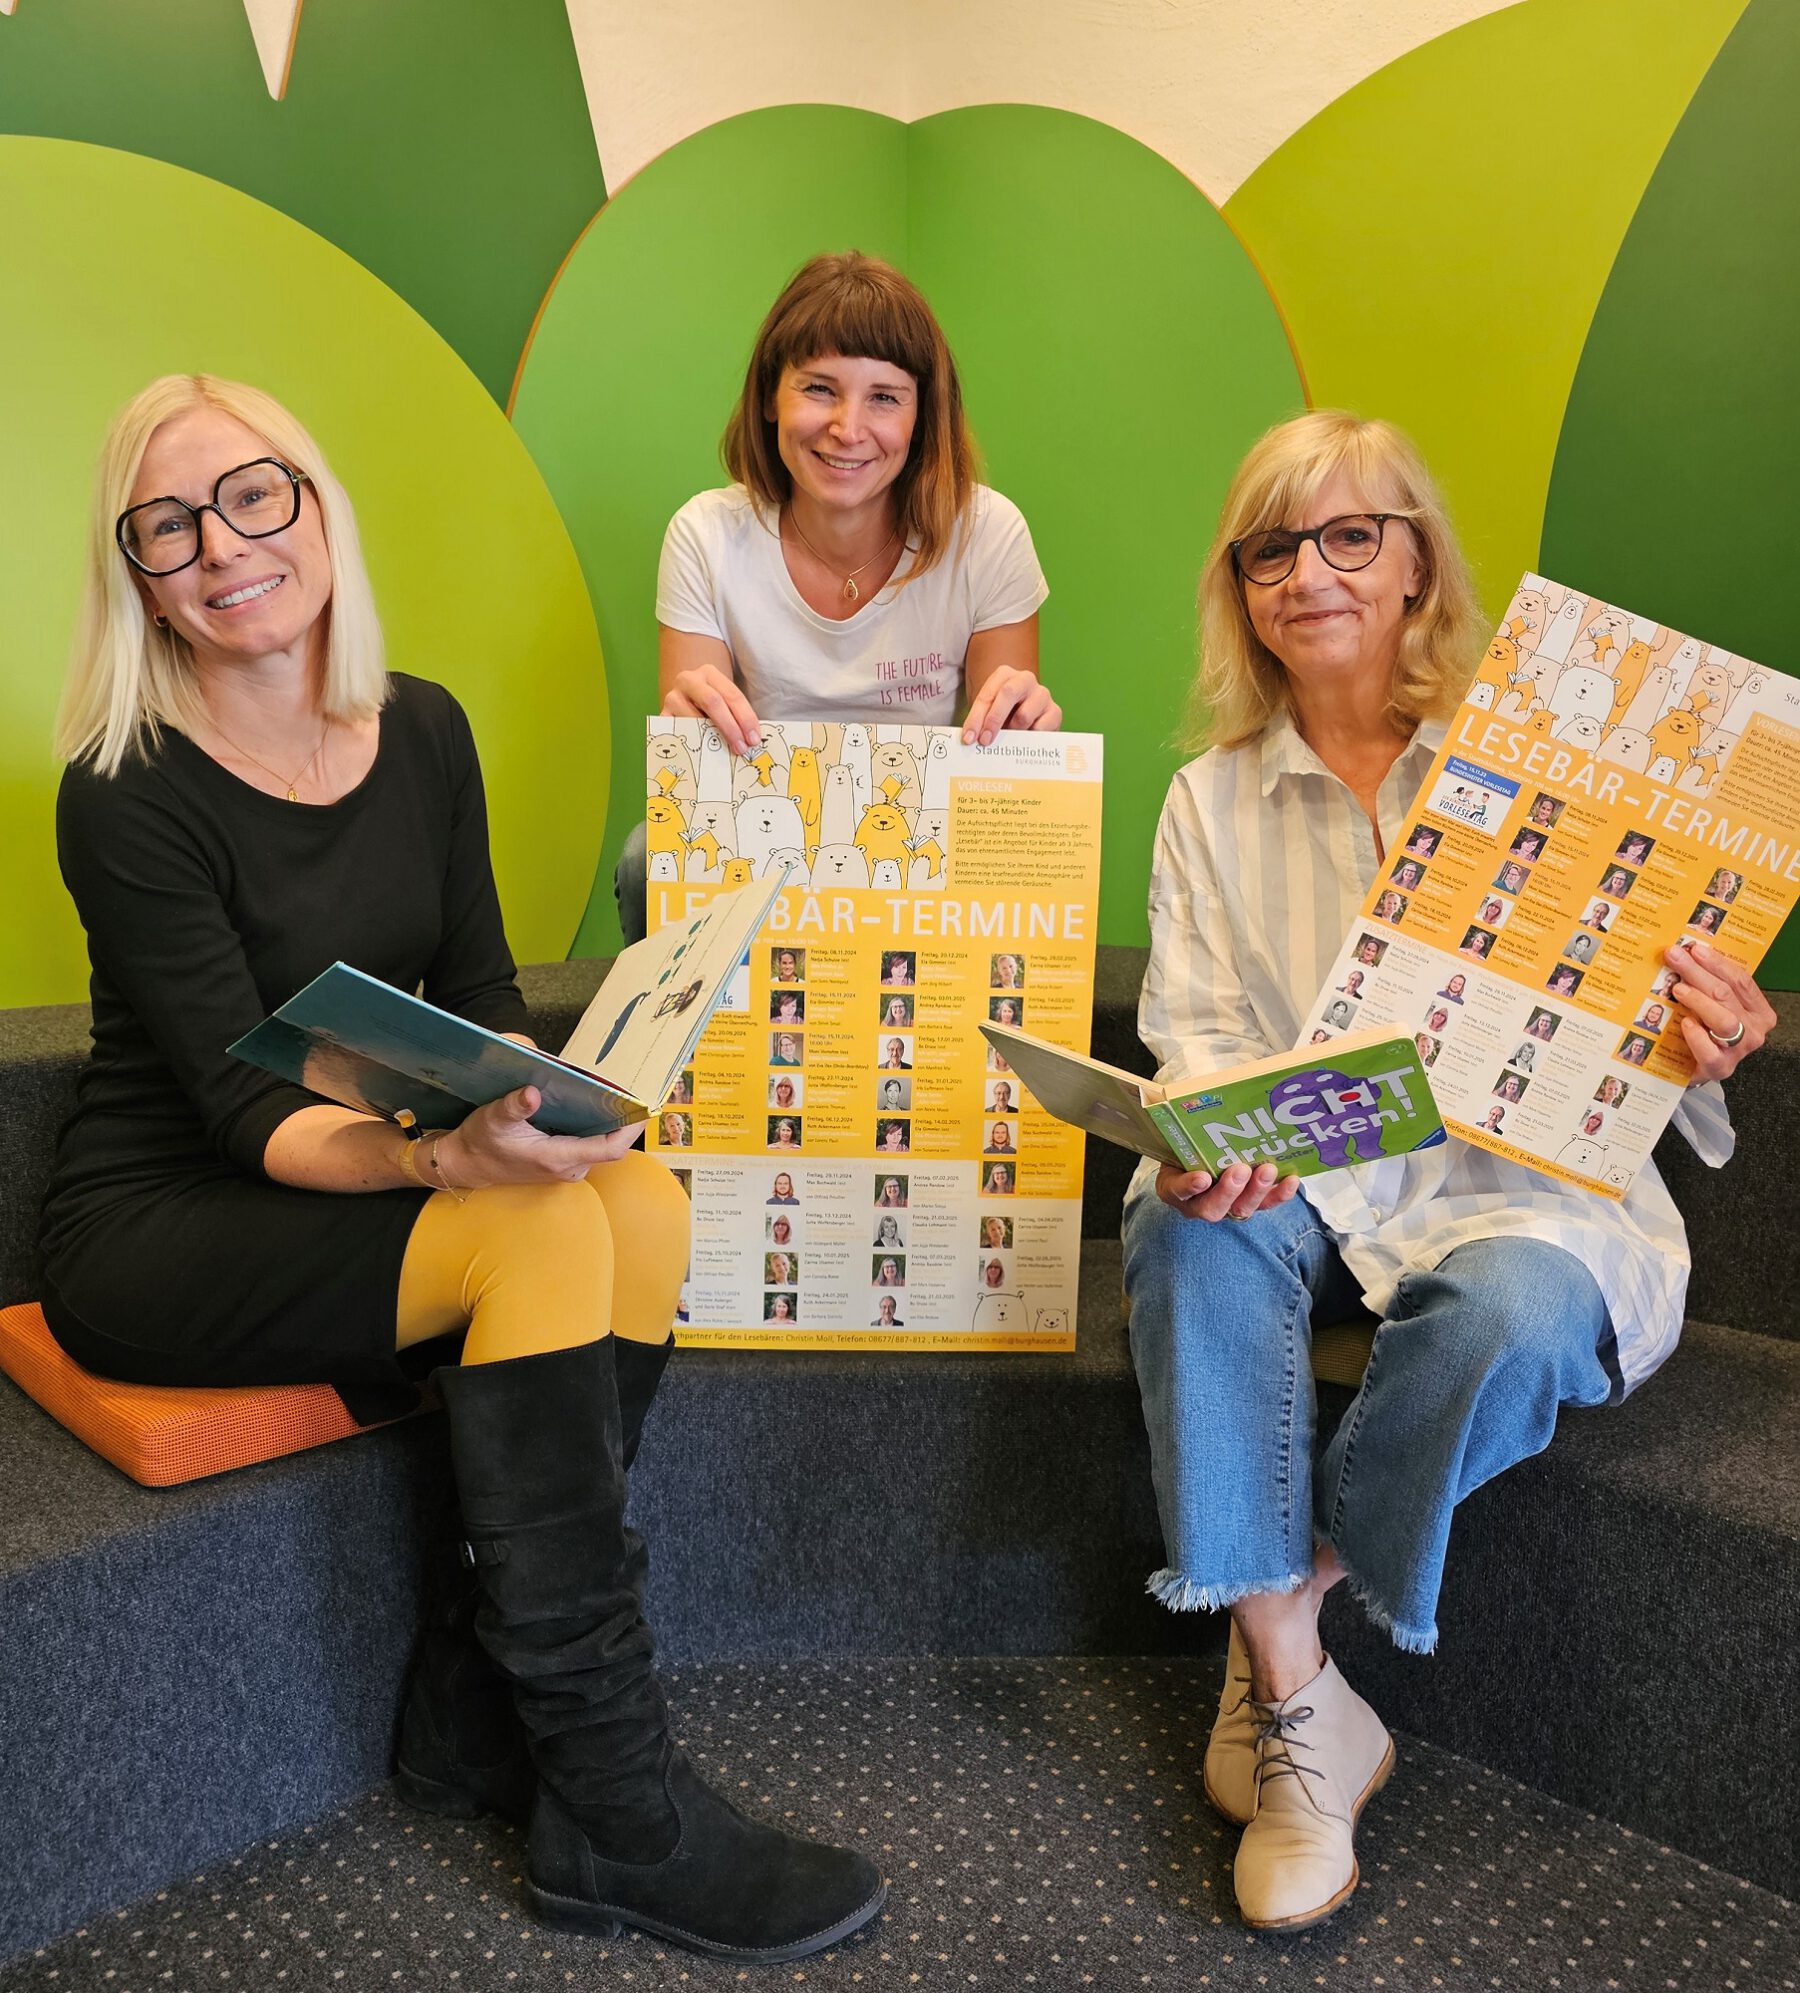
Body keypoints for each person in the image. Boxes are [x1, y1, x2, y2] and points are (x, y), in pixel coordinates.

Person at [38, 375, 883, 1961]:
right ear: (134, 570)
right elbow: (245, 1114)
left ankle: (477, 1708)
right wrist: (449, 1160)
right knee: (541, 1242)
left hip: (365, 1165)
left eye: (252, 496)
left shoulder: (420, 726)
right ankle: (616, 1804)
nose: (220, 546)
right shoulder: (126, 784)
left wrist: (571, 1101)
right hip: (171, 1220)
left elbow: (485, 998)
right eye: (167, 525)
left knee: (632, 1194)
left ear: (320, 509)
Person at [1121, 409, 1772, 1934]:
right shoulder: (1207, 801)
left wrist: (1708, 1041)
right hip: (1319, 1188)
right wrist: (1219, 1137)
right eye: (1272, 546)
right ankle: (1301, 1713)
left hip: (1529, 1193)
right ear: (1241, 586)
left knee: (1506, 1317)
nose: (1311, 573)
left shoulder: (1556, 770)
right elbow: (1199, 1037)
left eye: (1352, 535)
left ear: (1417, 565)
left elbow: (1647, 1064)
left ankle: (1282, 1605)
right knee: (1174, 1222)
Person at [615, 250, 1062, 939]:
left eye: (884, 397)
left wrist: (1025, 732)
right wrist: (687, 723)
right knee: (648, 855)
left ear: (921, 418)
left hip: (924, 842)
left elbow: (999, 773)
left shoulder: (989, 533)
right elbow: (697, 796)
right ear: (771, 394)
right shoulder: (706, 535)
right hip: (758, 835)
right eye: (819, 388)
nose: (848, 428)